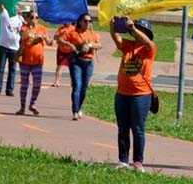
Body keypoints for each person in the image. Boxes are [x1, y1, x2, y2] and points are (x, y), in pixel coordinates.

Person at [109, 17, 156, 172]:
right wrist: (113, 27)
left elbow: (148, 43)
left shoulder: (149, 48)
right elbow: (117, 40)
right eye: (135, 29)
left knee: (138, 128)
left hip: (141, 94)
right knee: (122, 127)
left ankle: (138, 162)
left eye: (140, 29)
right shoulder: (128, 45)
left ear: (146, 33)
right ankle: (123, 160)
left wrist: (134, 29)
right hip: (122, 92)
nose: (136, 31)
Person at [60, 13, 102, 120]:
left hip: (89, 62)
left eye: (89, 21)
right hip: (76, 61)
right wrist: (70, 45)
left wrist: (90, 45)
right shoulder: (73, 33)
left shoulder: (92, 33)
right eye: (85, 21)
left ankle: (79, 107)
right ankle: (74, 110)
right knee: (77, 86)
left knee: (84, 87)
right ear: (80, 22)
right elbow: (60, 39)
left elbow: (99, 45)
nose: (88, 23)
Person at [15, 12, 53, 115]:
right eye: (32, 17)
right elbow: (23, 36)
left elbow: (50, 43)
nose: (34, 19)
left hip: (38, 61)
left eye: (36, 17)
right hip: (25, 61)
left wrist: (44, 37)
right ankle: (22, 107)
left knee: (37, 84)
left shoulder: (42, 28)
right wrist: (31, 28)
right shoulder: (24, 28)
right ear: (27, 18)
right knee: (24, 84)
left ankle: (32, 104)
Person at [0, 2, 25, 96]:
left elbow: (27, 25)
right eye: (13, 6)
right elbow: (0, 6)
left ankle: (9, 90)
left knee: (12, 69)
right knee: (1, 68)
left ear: (19, 9)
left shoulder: (20, 19)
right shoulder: (5, 14)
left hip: (15, 47)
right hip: (3, 46)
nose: (15, 8)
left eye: (17, 7)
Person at [52, 21, 75, 87]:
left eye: (68, 21)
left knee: (72, 67)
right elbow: (55, 37)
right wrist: (61, 35)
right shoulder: (61, 29)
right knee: (59, 66)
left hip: (70, 51)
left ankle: (73, 81)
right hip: (61, 50)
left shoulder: (73, 29)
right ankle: (56, 81)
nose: (67, 22)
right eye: (66, 21)